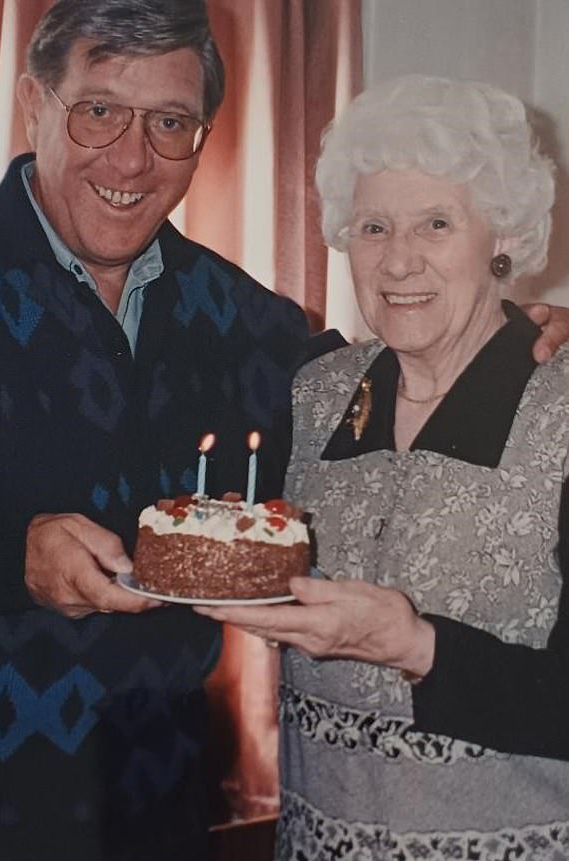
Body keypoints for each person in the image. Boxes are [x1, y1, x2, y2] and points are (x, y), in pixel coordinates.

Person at [0, 1, 314, 859]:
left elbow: (379, 404)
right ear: (34, 105)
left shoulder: (245, 320)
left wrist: (515, 338)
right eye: (100, 109)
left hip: (162, 817)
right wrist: (11, 561)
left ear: (203, 135)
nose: (133, 159)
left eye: (169, 121)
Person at [196, 74, 569, 860]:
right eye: (372, 226)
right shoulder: (315, 388)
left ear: (500, 234)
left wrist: (418, 646)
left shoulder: (560, 407)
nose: (398, 261)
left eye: (436, 223)